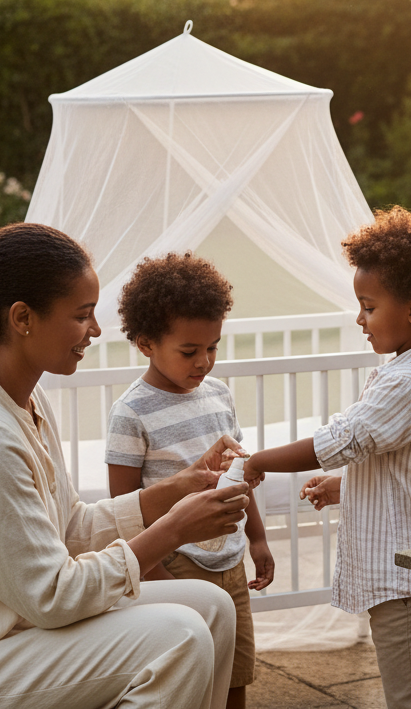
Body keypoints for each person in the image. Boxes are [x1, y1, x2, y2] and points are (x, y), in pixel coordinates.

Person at [0, 223, 248, 709]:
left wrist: (170, 492)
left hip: (22, 625)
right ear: (23, 317)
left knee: (211, 606)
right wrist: (170, 530)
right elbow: (53, 595)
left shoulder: (25, 396)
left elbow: (68, 526)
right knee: (180, 635)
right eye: (83, 315)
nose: (97, 331)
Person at [242, 206, 411, 709]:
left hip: (406, 583)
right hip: (409, 578)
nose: (359, 318)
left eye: (369, 307)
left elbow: (344, 440)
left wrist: (259, 460)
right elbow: (404, 474)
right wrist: (346, 486)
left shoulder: (410, 383)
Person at [105, 252, 275, 709]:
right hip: (175, 561)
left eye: (213, 347)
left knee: (235, 672)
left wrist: (256, 538)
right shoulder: (131, 412)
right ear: (146, 343)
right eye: (189, 351)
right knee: (191, 673)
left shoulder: (218, 394)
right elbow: (124, 503)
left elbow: (239, 473)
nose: (204, 361)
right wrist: (154, 571)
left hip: (230, 559)